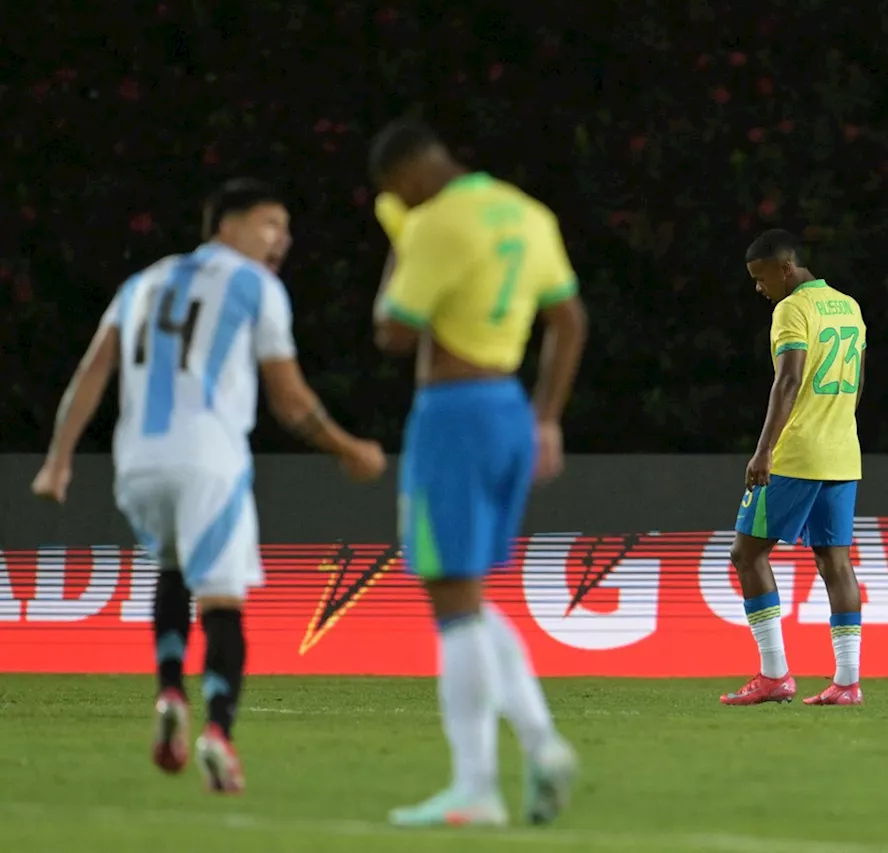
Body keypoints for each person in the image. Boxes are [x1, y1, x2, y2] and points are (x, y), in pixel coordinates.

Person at [30, 179, 387, 792]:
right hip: (209, 462)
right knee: (223, 600)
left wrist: (58, 459)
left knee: (170, 570)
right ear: (227, 227)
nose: (283, 239)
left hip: (136, 464)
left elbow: (93, 370)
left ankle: (170, 690)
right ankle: (218, 730)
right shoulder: (257, 288)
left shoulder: (140, 283)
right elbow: (290, 398)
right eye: (270, 223)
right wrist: (348, 448)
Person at [368, 117, 589, 828]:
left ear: (406, 177)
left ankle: (478, 784)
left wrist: (401, 243)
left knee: (452, 602)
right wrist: (547, 415)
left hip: (452, 415)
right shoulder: (529, 213)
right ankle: (540, 744)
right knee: (465, 592)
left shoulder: (435, 223)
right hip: (509, 411)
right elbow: (569, 320)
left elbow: (393, 331)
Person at [721, 229, 868, 708]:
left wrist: (763, 450)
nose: (758, 288)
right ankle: (847, 683)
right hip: (843, 452)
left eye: (760, 277)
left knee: (747, 553)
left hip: (798, 452)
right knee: (835, 562)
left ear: (784, 268)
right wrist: (836, 427)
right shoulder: (848, 306)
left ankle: (774, 674)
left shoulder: (792, 309)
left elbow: (788, 380)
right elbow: (858, 383)